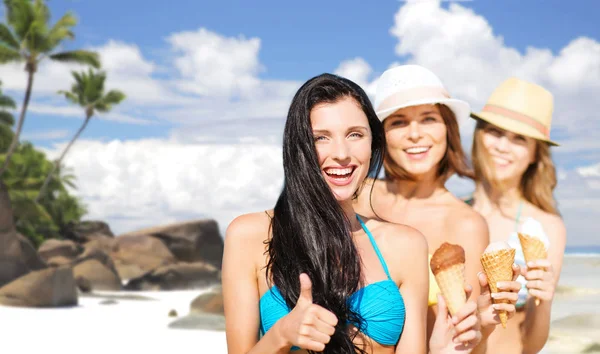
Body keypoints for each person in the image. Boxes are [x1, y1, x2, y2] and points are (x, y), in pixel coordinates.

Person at [222, 73, 482, 354]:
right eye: (321, 138)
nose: (342, 153)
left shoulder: (407, 245)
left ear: (373, 143)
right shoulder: (248, 235)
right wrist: (281, 336)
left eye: (355, 134)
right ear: (299, 148)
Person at [353, 65, 522, 351]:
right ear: (381, 135)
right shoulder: (355, 195)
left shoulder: (466, 224)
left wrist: (482, 321)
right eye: (399, 122)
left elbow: (465, 343)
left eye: (428, 119)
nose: (415, 134)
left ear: (448, 129)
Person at [467, 77, 567, 354]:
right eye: (494, 132)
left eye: (519, 139)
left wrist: (544, 301)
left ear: (536, 153)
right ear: (478, 136)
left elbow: (532, 345)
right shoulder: (453, 211)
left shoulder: (547, 226)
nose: (502, 146)